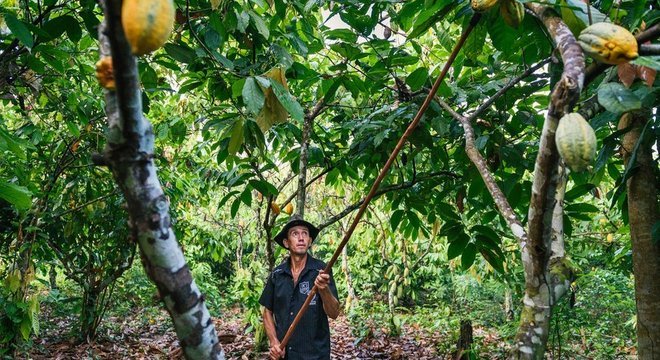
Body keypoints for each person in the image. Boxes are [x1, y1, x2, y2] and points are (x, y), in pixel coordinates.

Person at [259, 215, 340, 360]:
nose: (301, 238)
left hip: (315, 355)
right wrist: (274, 342)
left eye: (305, 233)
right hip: (285, 355)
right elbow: (267, 311)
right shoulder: (277, 274)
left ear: (309, 241)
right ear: (286, 242)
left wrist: (324, 289)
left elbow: (334, 313)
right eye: (295, 234)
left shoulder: (321, 270)